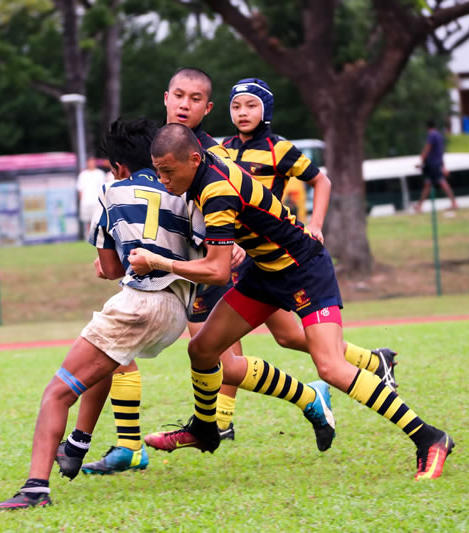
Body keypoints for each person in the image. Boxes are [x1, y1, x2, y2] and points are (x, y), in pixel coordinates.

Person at [75, 70, 397, 473]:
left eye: (194, 99)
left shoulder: (214, 154)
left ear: (207, 108)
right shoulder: (165, 151)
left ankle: (277, 405)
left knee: (231, 354)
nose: (183, 105)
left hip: (231, 265)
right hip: (200, 269)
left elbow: (233, 208)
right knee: (236, 346)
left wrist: (244, 244)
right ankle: (152, 439)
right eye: (177, 96)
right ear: (165, 98)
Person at [131, 123, 455, 480]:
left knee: (330, 367)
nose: (162, 180)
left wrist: (157, 261)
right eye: (157, 171)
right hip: (266, 271)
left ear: (194, 159)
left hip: (305, 269)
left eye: (168, 172)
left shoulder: (216, 191)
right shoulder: (209, 160)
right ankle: (206, 430)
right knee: (202, 349)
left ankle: (429, 438)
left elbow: (218, 272)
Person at [0, 117, 205, 510]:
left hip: (140, 301)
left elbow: (111, 269)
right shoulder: (184, 189)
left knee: (56, 393)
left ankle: (35, 488)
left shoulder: (112, 191)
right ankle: (77, 443)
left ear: (118, 166)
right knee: (112, 361)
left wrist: (107, 266)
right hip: (176, 311)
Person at [415, 119, 458, 211]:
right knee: (428, 184)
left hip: (432, 164)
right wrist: (443, 166)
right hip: (437, 163)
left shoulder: (432, 135)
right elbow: (440, 152)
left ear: (427, 127)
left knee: (442, 183)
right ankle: (419, 205)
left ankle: (454, 203)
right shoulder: (439, 135)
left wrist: (420, 162)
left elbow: (427, 149)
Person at [76, 155, 107, 235]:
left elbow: (104, 188)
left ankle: (98, 236)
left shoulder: (100, 174)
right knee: (88, 221)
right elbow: (80, 190)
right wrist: (81, 201)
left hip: (97, 201)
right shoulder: (83, 174)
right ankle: (90, 236)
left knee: (98, 220)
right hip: (86, 202)